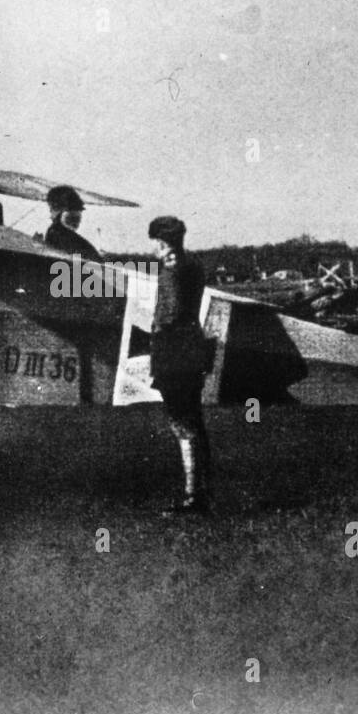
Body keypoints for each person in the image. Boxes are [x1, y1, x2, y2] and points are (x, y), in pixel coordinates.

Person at [148, 215, 212, 515]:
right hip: (193, 346)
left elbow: (170, 312)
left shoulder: (170, 269)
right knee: (194, 421)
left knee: (181, 423)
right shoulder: (195, 265)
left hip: (174, 351)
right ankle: (202, 491)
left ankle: (191, 496)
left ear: (161, 242)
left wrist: (158, 331)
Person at [44, 186, 102, 261]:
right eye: (72, 217)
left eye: (77, 217)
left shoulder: (55, 232)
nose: (77, 222)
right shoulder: (58, 233)